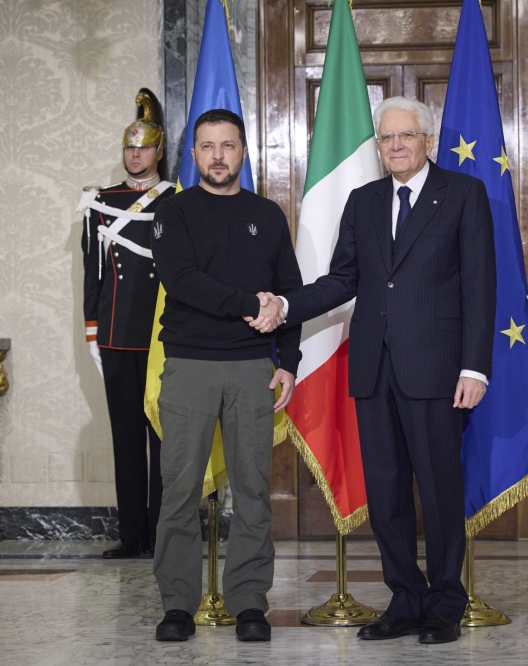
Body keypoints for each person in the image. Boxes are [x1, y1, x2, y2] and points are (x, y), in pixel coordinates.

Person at [252, 96, 496, 644]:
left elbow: (480, 285)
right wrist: (287, 305)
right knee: (386, 496)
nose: (396, 146)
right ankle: (405, 600)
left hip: (436, 369)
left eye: (406, 136)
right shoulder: (363, 201)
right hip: (374, 369)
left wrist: (475, 368)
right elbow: (344, 280)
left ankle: (445, 604)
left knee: (439, 492)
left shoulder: (463, 193)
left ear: (428, 141)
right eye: (387, 138)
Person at [150, 109, 302, 643]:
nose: (218, 156)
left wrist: (288, 361)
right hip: (190, 366)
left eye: (228, 145)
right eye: (208, 146)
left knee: (254, 492)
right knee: (179, 491)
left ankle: (250, 602)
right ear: (193, 154)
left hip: (253, 368)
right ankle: (177, 605)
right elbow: (182, 280)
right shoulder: (174, 211)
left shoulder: (267, 214)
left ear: (244, 152)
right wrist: (248, 304)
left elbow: (289, 292)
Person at [79, 88, 173, 560]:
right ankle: (132, 534)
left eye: (144, 148)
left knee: (165, 440)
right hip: (116, 335)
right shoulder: (101, 201)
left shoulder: (176, 200)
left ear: (159, 151)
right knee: (126, 438)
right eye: (129, 148)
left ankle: (162, 534)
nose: (135, 155)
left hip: (162, 337)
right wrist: (92, 331)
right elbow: (92, 272)